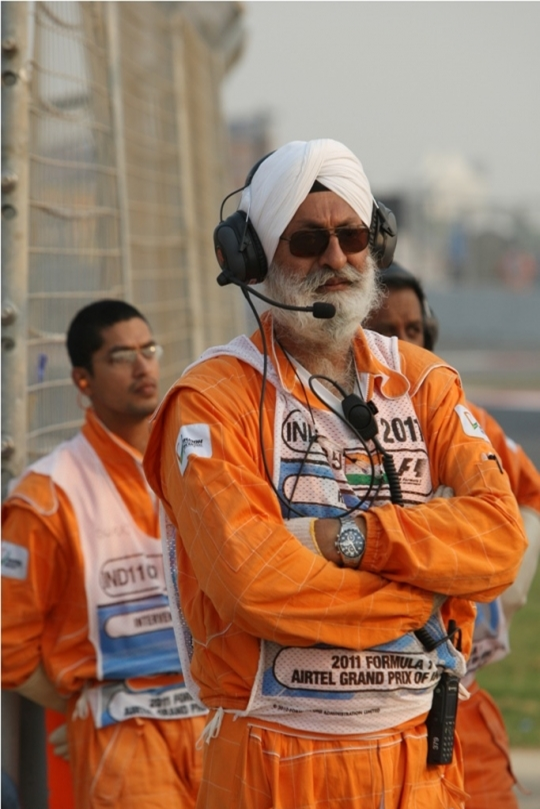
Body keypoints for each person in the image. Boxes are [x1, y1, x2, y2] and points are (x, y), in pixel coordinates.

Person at [143, 139, 527, 809]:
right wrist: (423, 601)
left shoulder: (424, 381)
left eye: (352, 236)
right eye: (307, 241)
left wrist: (349, 539)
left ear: (376, 243)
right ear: (254, 257)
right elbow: (255, 586)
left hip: (418, 762)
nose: (336, 258)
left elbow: (498, 539)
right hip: (272, 760)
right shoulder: (211, 399)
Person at [1, 300, 206, 809]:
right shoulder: (48, 494)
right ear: (82, 379)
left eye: (148, 350)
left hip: (216, 721)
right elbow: (7, 642)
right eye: (120, 356)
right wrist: (79, 710)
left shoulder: (200, 466)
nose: (142, 367)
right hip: (122, 737)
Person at [364, 262, 540, 809]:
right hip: (364, 706)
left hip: (456, 699)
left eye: (413, 330)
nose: (402, 344)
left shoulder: (467, 419)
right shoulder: (319, 426)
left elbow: (530, 494)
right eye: (385, 331)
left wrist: (502, 595)